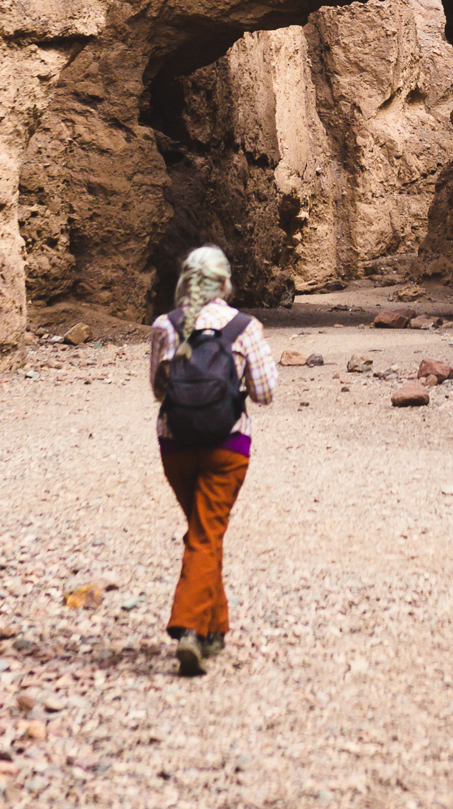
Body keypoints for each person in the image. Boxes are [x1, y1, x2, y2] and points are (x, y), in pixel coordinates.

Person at [150, 244, 276, 676]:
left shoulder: (165, 326)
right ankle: (188, 628)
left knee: (204, 531)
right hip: (228, 446)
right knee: (207, 533)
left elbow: (158, 389)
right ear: (225, 284)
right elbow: (265, 393)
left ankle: (216, 627)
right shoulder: (244, 327)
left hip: (175, 445)